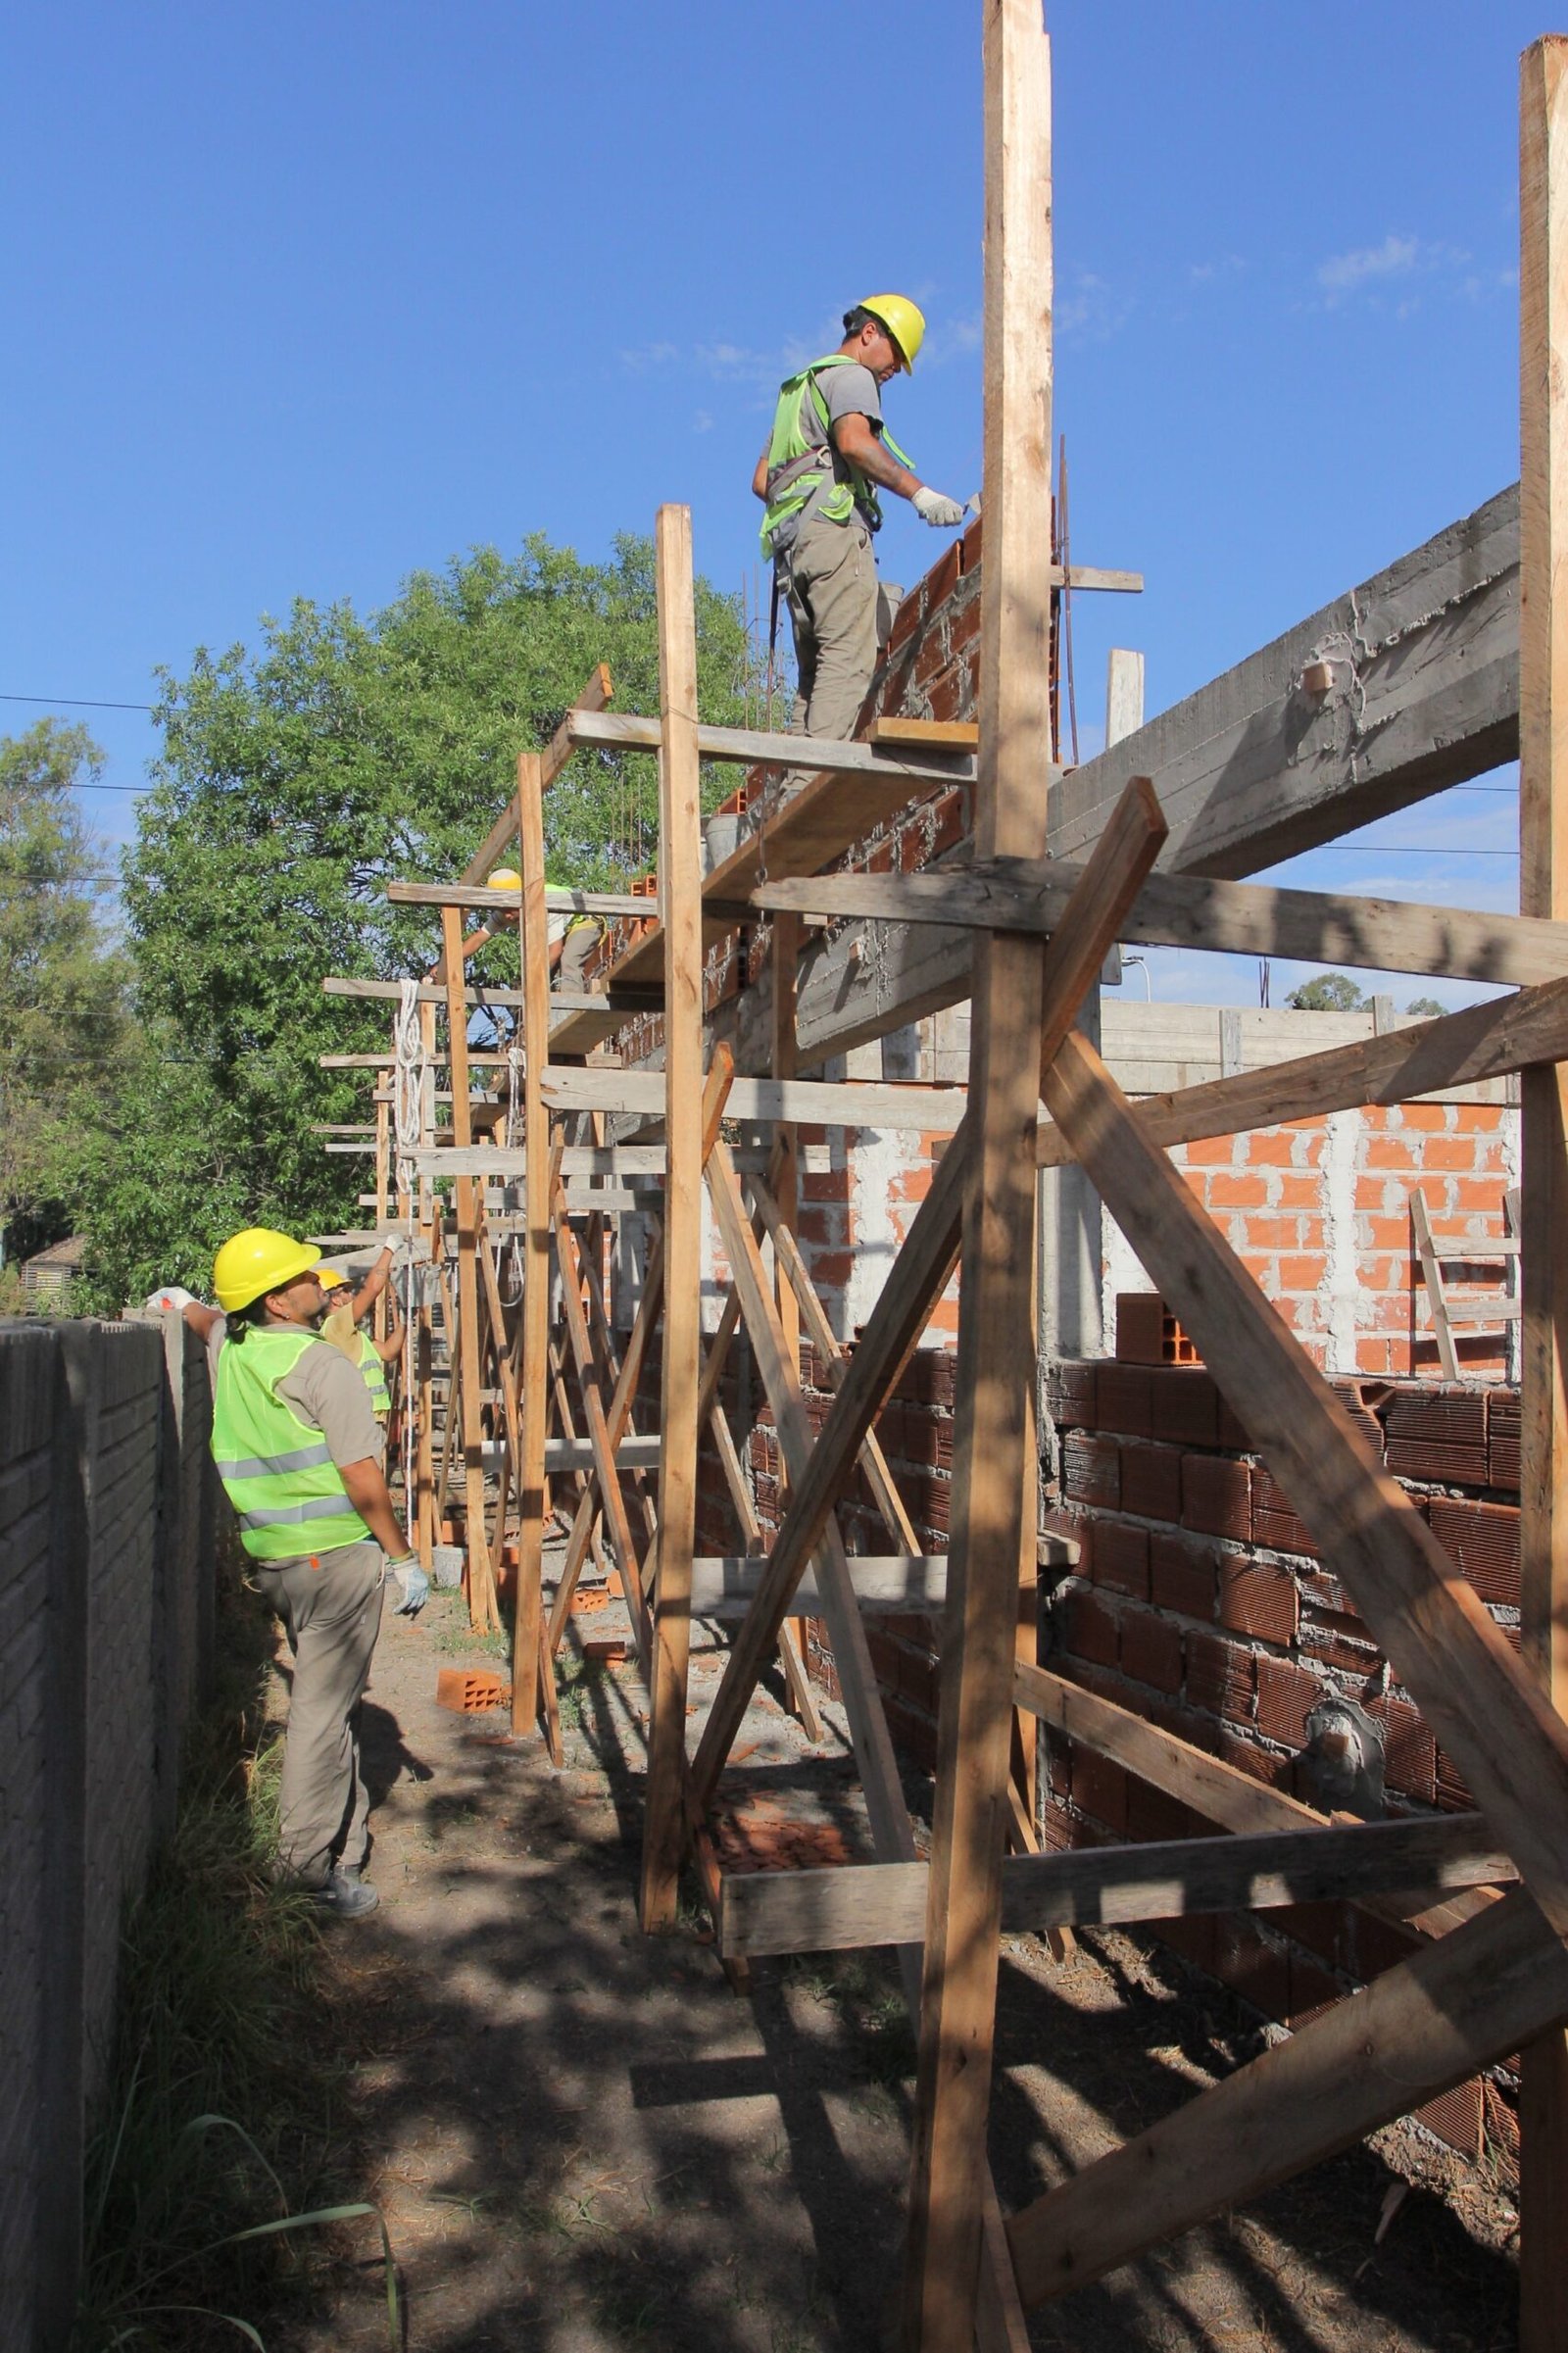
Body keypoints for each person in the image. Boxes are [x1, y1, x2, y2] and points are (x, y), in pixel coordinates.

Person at [203, 1227, 428, 1918]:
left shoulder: (233, 1349)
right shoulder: (322, 1363)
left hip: (275, 1558)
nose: (320, 1282)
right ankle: (303, 1868)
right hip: (334, 1557)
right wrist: (402, 1557)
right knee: (323, 1714)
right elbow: (362, 1477)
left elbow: (205, 1316)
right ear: (277, 1299)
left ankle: (344, 1842)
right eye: (306, 1276)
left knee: (333, 1704)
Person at [752, 295, 968, 755]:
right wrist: (919, 493)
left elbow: (760, 481)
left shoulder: (800, 389)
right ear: (869, 333)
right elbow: (854, 442)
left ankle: (793, 786)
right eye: (896, 355)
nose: (895, 370)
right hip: (832, 537)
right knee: (848, 664)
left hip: (795, 555)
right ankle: (808, 791)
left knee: (815, 680)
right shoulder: (853, 376)